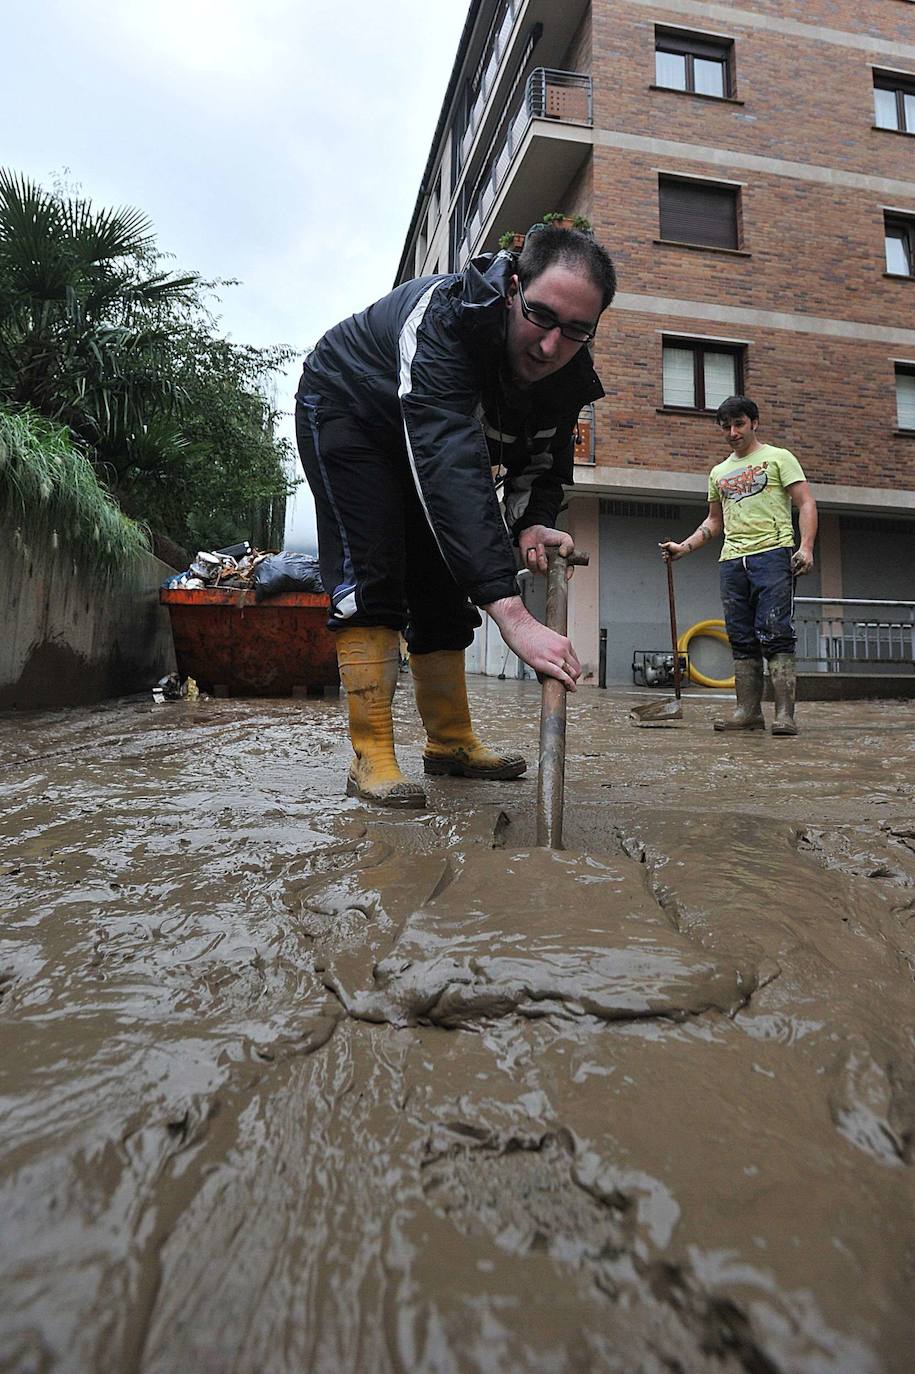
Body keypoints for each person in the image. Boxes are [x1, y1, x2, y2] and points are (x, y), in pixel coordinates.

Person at [295, 225, 617, 805]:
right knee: (375, 571)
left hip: (430, 441)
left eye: (575, 331)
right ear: (514, 286)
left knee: (444, 584)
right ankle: (371, 757)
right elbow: (448, 459)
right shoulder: (445, 317)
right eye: (541, 316)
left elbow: (542, 462)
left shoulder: (567, 371)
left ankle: (450, 743)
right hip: (350, 409)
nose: (550, 346)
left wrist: (530, 522)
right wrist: (512, 613)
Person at [659, 395, 817, 736]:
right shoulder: (718, 472)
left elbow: (805, 503)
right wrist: (683, 548)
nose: (732, 432)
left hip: (773, 554)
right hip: (732, 561)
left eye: (739, 424)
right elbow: (715, 522)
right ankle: (747, 711)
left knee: (776, 634)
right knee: (742, 638)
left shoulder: (778, 458)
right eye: (726, 427)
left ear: (754, 423)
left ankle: (784, 716)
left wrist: (805, 547)